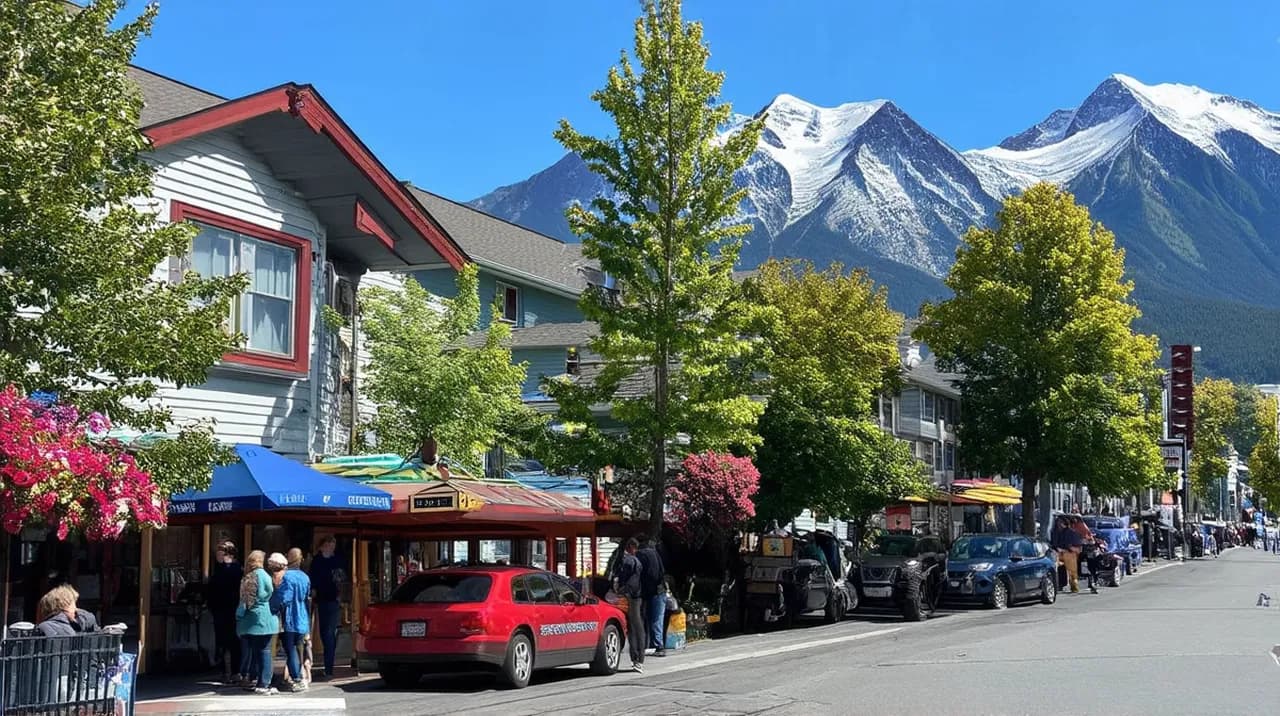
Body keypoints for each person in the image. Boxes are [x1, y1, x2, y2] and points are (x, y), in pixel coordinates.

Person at [271, 548, 313, 692]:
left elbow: (284, 598)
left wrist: (272, 607)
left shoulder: (287, 577)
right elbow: (307, 596)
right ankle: (297, 676)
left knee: (290, 649)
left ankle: (296, 678)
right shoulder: (305, 577)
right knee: (297, 646)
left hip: (290, 617)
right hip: (302, 617)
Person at [237, 550, 277, 695]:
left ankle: (257, 680)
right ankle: (264, 682)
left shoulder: (250, 577)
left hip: (253, 619)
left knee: (255, 651)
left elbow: (246, 600)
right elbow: (270, 592)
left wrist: (238, 615)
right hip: (267, 617)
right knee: (265, 651)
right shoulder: (266, 576)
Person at [207, 540, 243, 684]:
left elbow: (216, 588)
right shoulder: (224, 568)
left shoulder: (231, 570)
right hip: (223, 609)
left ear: (228, 554)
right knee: (225, 642)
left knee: (230, 642)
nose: (217, 556)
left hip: (228, 609)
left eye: (220, 553)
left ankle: (232, 671)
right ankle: (228, 671)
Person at [309, 536, 344, 680]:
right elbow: (313, 579)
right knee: (324, 633)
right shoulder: (317, 561)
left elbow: (341, 579)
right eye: (328, 543)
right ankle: (325, 664)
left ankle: (329, 667)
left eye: (333, 544)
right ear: (322, 546)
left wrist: (341, 595)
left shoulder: (337, 560)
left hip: (333, 600)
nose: (331, 546)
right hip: (320, 600)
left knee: (329, 633)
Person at [613, 538, 645, 673]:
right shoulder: (638, 562)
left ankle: (636, 658)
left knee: (633, 627)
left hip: (630, 597)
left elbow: (624, 578)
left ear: (630, 547)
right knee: (637, 626)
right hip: (637, 596)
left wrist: (620, 589)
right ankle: (638, 658)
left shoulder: (628, 561)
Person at [635, 534, 667, 657]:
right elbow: (662, 571)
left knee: (648, 619)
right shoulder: (654, 552)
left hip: (649, 591)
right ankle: (657, 645)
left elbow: (639, 574)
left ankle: (656, 646)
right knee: (657, 619)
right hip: (660, 590)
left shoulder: (640, 555)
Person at [1051, 517, 1082, 593]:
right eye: (1058, 523)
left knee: (1071, 572)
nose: (1059, 524)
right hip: (1061, 553)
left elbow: (1073, 545)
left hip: (1067, 553)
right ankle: (1062, 585)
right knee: (1063, 570)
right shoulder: (1055, 532)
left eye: (1060, 522)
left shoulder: (1069, 532)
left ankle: (1073, 586)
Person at [1071, 517, 1100, 594]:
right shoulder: (1080, 527)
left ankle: (1092, 583)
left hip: (1085, 553)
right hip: (1084, 553)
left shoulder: (1080, 527)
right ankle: (1092, 583)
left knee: (1089, 569)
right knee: (1089, 569)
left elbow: (1087, 538)